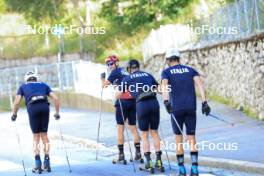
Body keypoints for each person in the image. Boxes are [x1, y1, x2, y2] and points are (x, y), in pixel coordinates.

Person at [161, 49, 211, 176]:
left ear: (168, 60)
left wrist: (166, 101)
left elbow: (164, 86)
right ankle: (194, 169)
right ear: (179, 58)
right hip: (190, 108)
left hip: (176, 109)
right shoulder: (190, 69)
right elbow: (200, 84)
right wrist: (205, 102)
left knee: (178, 140)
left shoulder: (166, 72)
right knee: (192, 139)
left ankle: (182, 170)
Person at [117, 59, 164, 173]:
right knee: (154, 132)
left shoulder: (127, 78)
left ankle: (148, 163)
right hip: (153, 102)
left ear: (129, 69)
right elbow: (160, 90)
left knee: (144, 134)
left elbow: (118, 94)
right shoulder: (148, 74)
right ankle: (159, 161)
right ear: (138, 66)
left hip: (142, 104)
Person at [11, 71, 60, 174]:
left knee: (36, 136)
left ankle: (38, 164)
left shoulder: (23, 86)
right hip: (44, 107)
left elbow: (16, 102)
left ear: (27, 79)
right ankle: (47, 161)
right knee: (45, 136)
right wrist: (57, 113)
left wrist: (14, 114)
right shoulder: (43, 85)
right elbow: (55, 98)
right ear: (36, 79)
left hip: (33, 108)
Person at [101, 55, 142, 163]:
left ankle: (121, 155)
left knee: (120, 128)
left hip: (122, 101)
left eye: (110, 63)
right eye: (107, 64)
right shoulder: (125, 71)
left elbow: (104, 85)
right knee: (133, 127)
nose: (109, 66)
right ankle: (138, 153)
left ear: (116, 63)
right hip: (133, 100)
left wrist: (102, 78)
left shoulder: (115, 72)